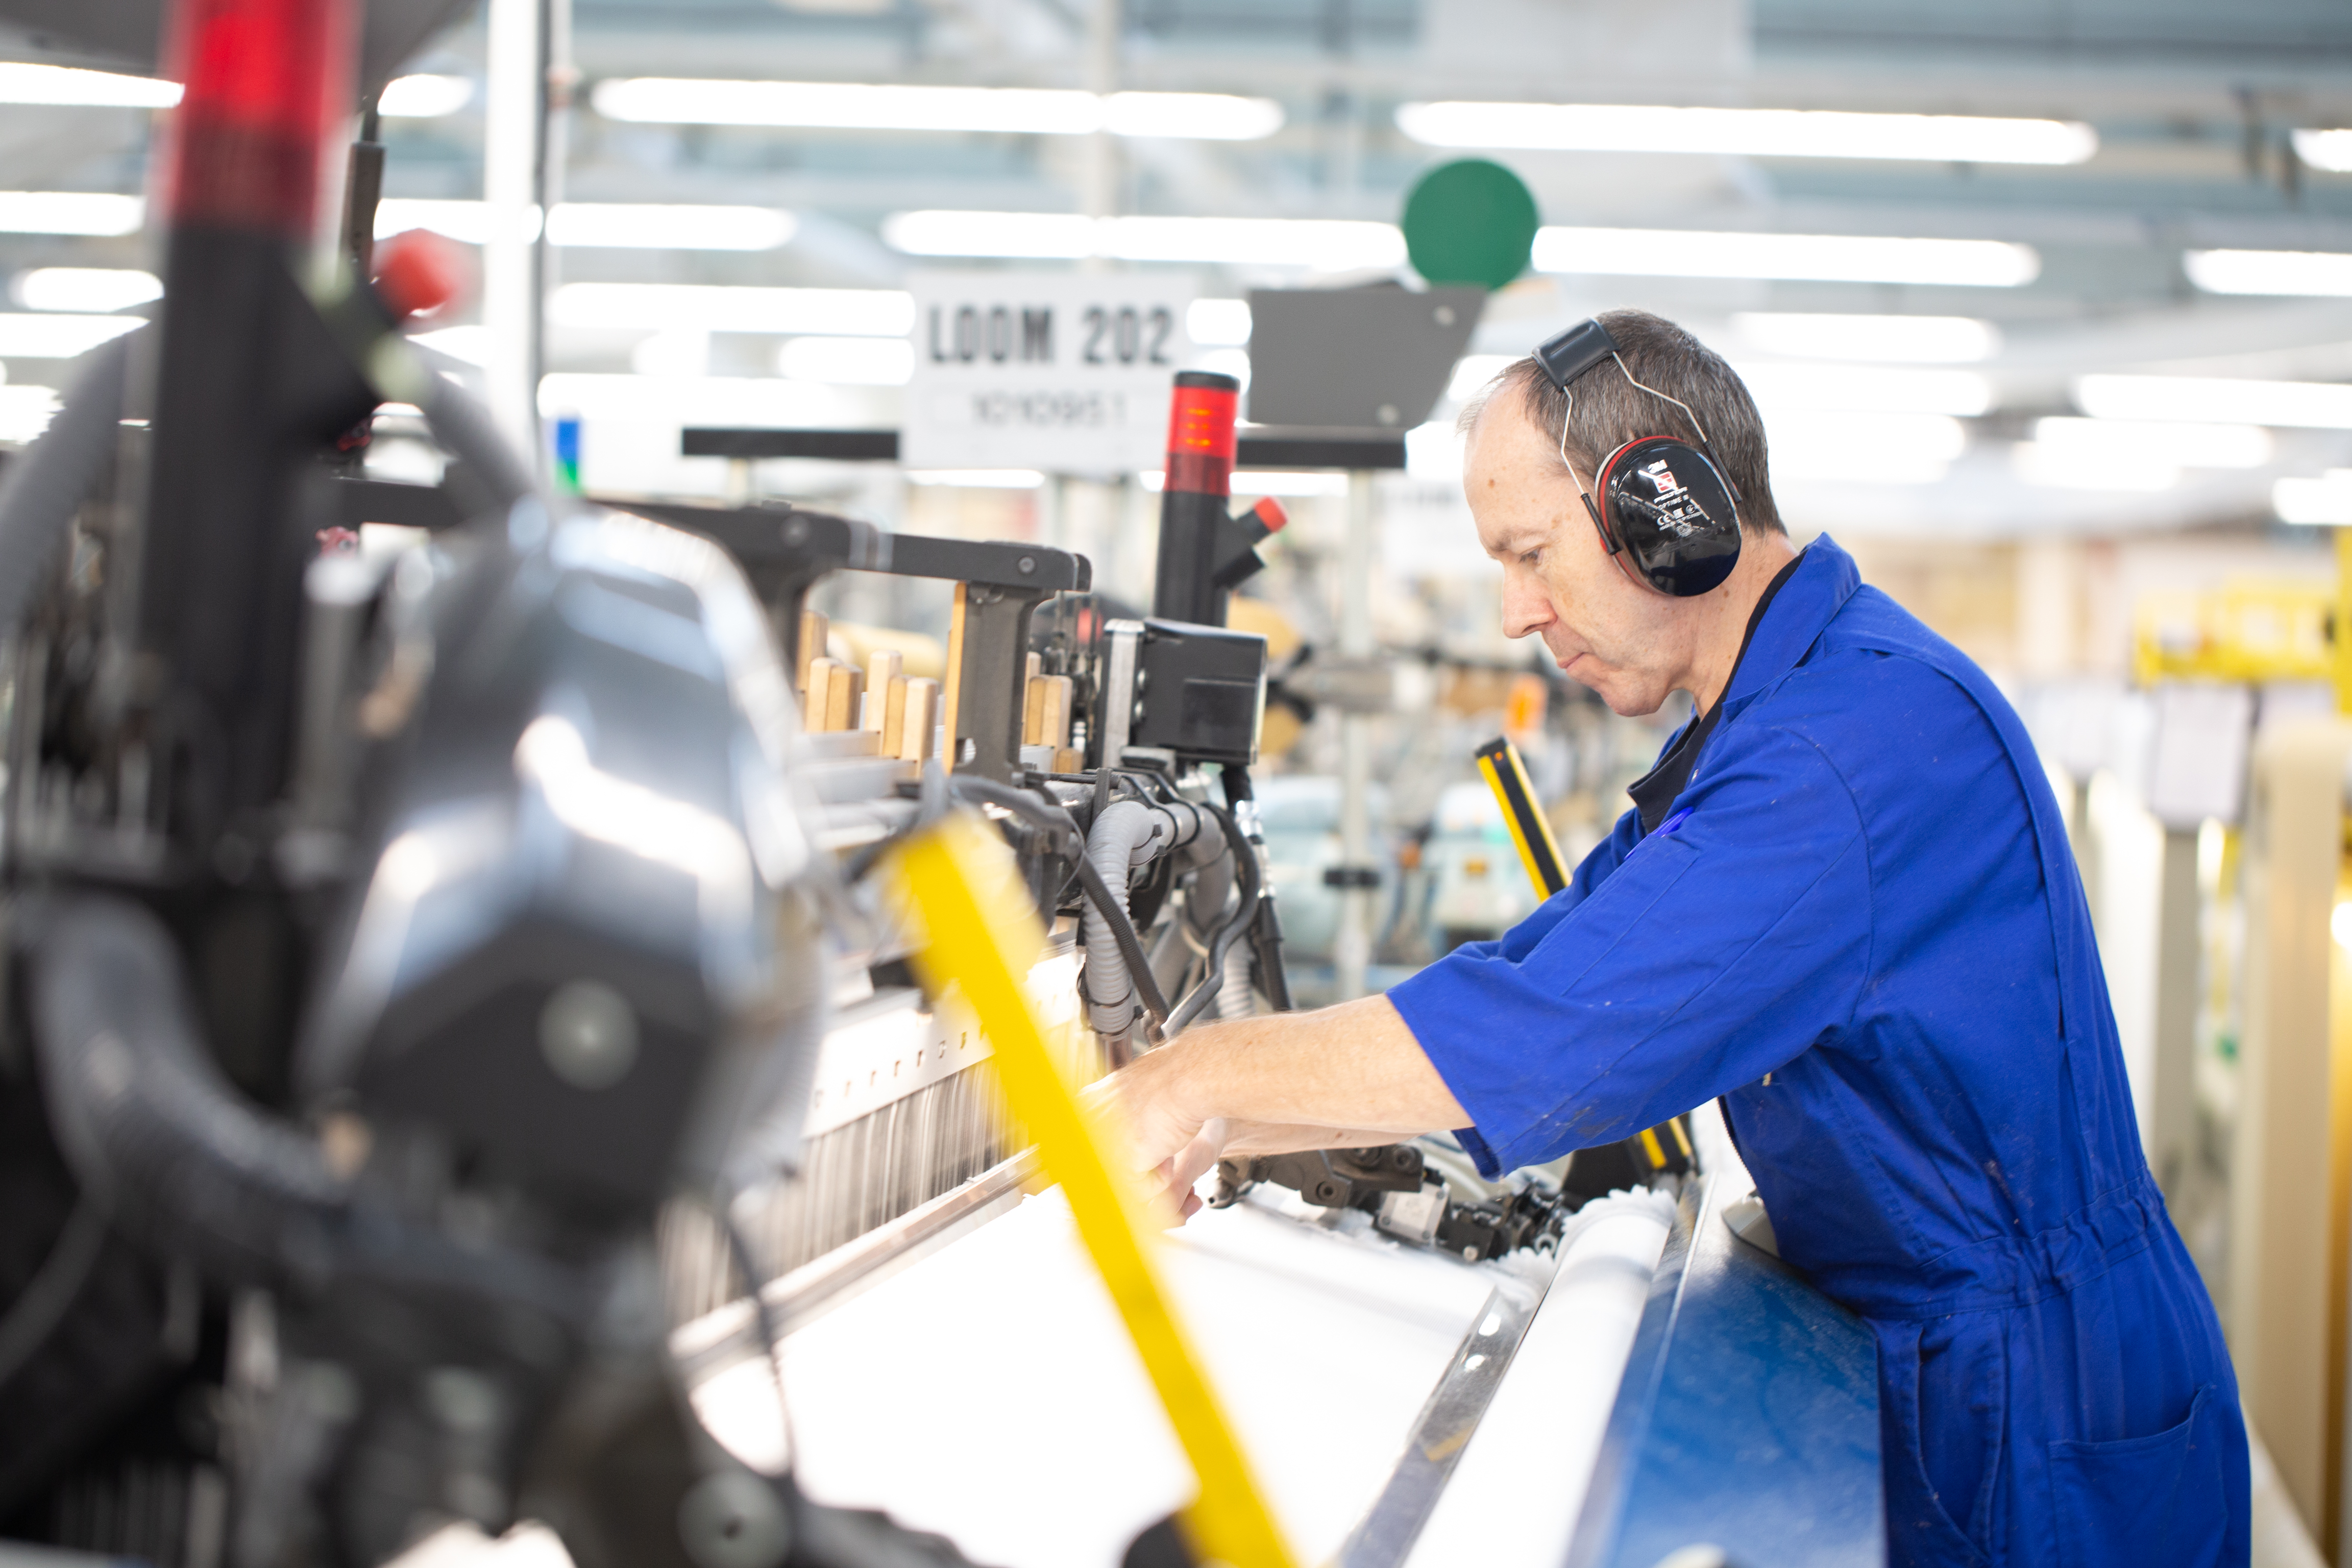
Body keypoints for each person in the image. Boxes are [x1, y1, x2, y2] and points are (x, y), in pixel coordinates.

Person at [1107, 308, 2248, 1567]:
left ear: (1670, 513)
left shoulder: (1840, 752)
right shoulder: (1768, 720)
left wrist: (1184, 1083)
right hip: (1965, 1346)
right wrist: (1227, 1127)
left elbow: (1550, 1039)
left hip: (2033, 1398)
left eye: (1533, 554)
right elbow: (1539, 970)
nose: (1514, 613)